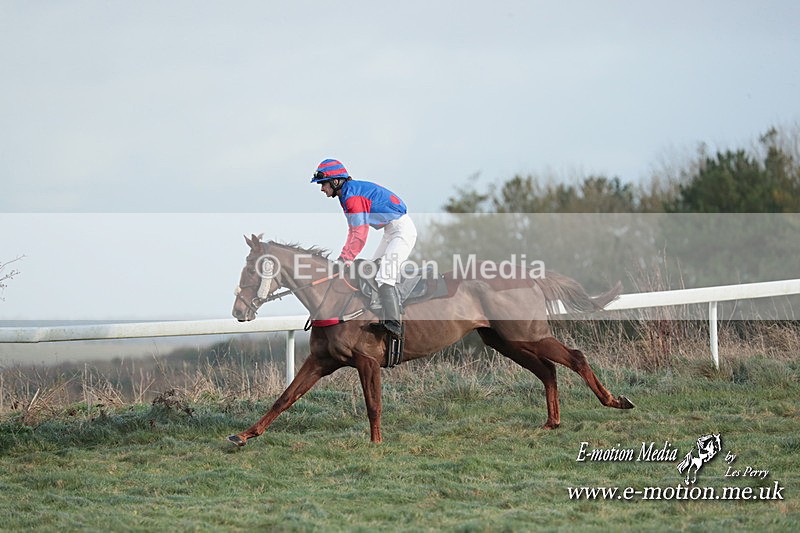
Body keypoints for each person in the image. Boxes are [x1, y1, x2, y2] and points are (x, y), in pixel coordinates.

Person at [311, 158, 417, 336]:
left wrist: (345, 258)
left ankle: (394, 324)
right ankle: (380, 316)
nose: (322, 188)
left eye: (323, 184)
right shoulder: (346, 194)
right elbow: (353, 231)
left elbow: (360, 234)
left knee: (384, 277)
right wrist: (344, 258)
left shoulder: (352, 196)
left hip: (402, 230)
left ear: (336, 181)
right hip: (391, 231)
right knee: (373, 271)